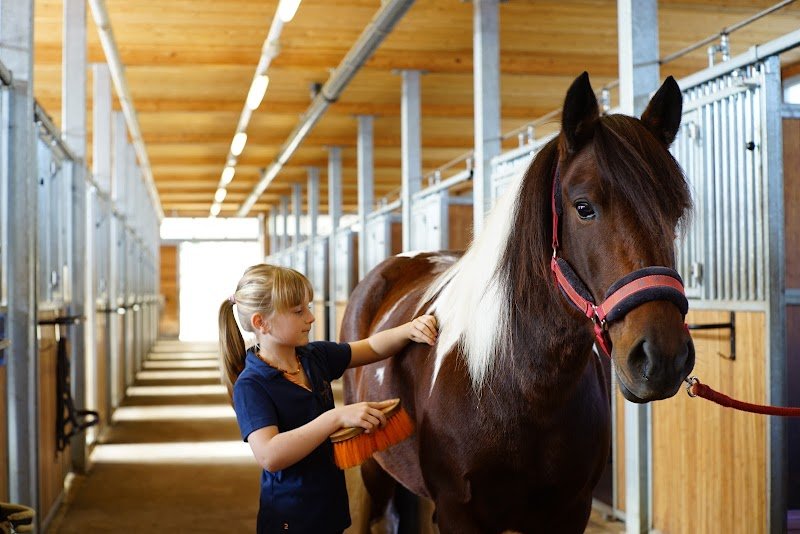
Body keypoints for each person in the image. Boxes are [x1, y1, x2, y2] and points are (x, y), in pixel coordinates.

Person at [218, 263, 437, 534]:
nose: (311, 318)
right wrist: (336, 417)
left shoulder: (314, 357)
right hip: (290, 519)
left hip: (330, 509)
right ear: (261, 323)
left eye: (308, 307)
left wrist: (408, 330)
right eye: (299, 311)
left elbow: (370, 347)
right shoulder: (251, 385)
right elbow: (270, 455)